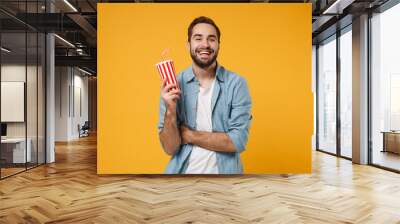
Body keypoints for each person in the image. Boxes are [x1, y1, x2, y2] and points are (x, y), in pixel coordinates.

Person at [158, 16, 252, 174]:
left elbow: (237, 141)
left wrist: (189, 135)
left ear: (219, 45)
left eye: (211, 39)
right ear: (188, 45)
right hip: (181, 176)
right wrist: (170, 110)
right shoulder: (173, 84)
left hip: (225, 178)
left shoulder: (236, 84)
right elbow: (170, 148)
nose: (205, 45)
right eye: (198, 38)